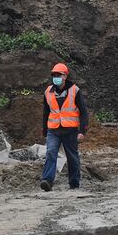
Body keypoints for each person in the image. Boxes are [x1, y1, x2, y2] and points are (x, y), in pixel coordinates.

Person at [40, 61, 88, 192]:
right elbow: (46, 112)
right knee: (50, 153)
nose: (56, 77)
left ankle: (74, 183)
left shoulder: (75, 91)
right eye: (54, 75)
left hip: (70, 130)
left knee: (72, 157)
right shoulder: (48, 92)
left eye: (58, 74)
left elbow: (83, 112)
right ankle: (47, 181)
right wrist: (44, 129)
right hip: (53, 130)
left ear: (65, 76)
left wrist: (82, 131)